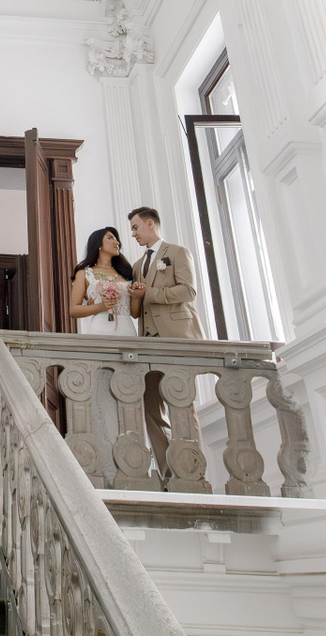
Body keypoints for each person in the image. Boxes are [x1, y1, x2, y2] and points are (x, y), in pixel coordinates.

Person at [126, 206, 203, 480]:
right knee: (150, 408)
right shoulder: (137, 266)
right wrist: (135, 296)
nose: (133, 233)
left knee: (181, 405)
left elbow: (188, 291)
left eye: (135, 227)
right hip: (148, 343)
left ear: (150, 224)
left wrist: (150, 293)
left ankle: (192, 472)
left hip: (176, 338)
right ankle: (169, 474)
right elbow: (138, 312)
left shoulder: (178, 252)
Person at [69, 226, 134, 334]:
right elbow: (74, 310)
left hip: (127, 329)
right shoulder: (85, 273)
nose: (117, 242)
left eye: (116, 239)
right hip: (100, 329)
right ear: (98, 244)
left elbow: (135, 313)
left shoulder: (126, 273)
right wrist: (100, 307)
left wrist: (137, 296)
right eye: (110, 238)